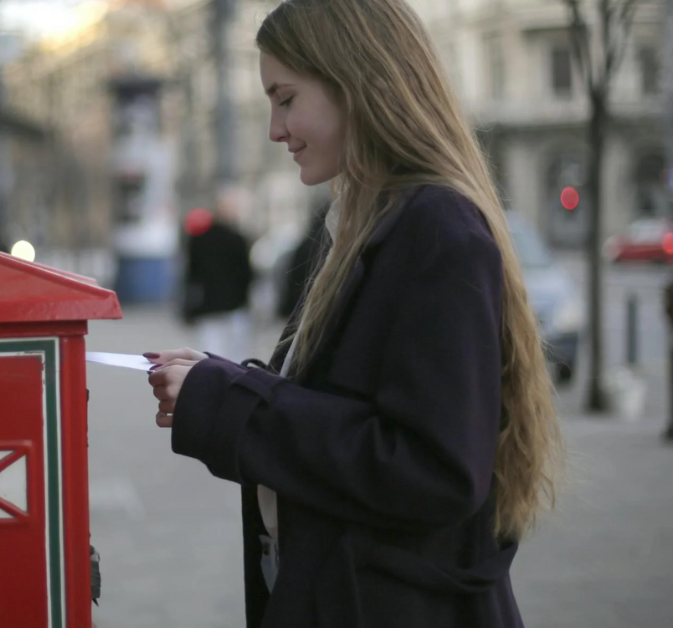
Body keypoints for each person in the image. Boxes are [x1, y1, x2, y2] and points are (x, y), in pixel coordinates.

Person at [144, 1, 565, 626]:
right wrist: (224, 382)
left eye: (285, 98)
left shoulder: (436, 229)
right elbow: (353, 409)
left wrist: (231, 405)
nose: (274, 129)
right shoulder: (371, 223)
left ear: (354, 82)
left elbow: (436, 469)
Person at [180, 186, 256, 362]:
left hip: (209, 307)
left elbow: (191, 275)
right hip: (234, 307)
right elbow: (247, 275)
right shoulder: (238, 239)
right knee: (237, 360)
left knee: (210, 357)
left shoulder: (199, 239)